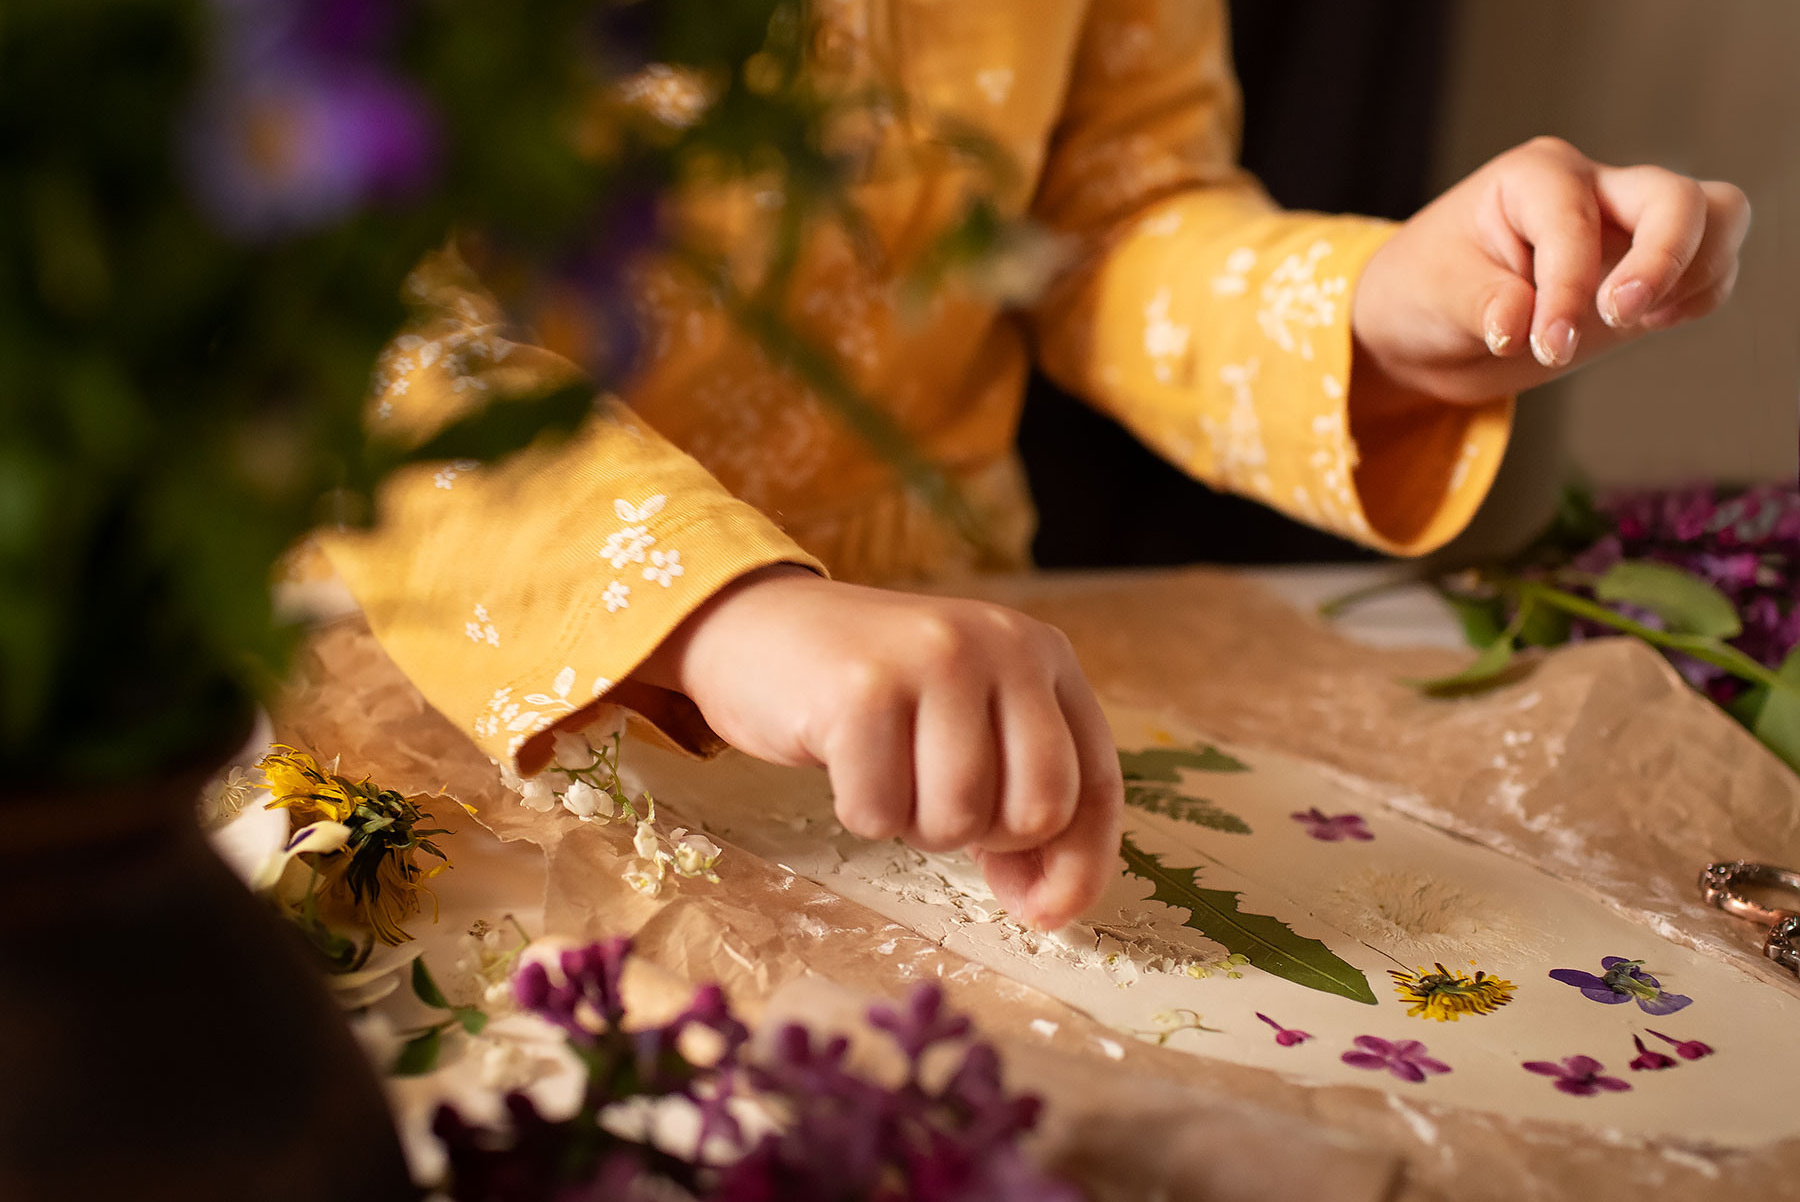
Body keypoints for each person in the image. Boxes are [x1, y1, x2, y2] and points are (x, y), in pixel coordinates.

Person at [324, 0, 1749, 932]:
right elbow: (331, 319)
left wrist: (1383, 309)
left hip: (957, 709)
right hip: (447, 691)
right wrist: (720, 608)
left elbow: (1106, 228)